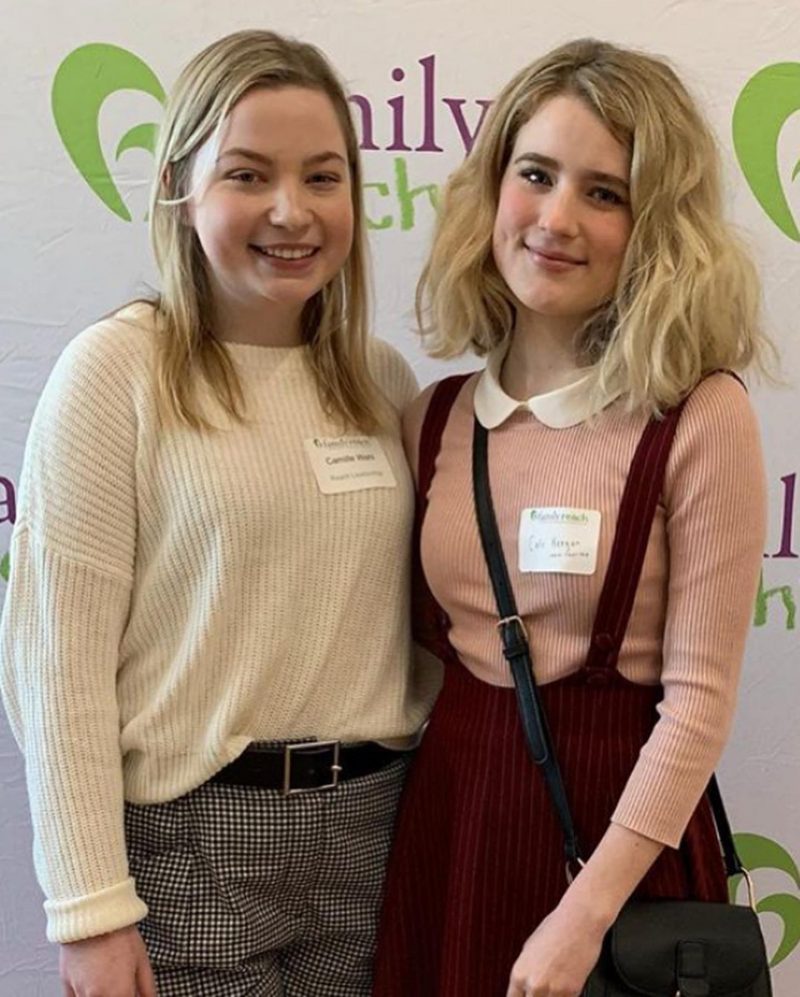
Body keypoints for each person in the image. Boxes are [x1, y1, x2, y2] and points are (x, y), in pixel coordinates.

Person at [0, 29, 439, 997]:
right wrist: (88, 910)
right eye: (248, 174)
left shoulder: (380, 383)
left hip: (374, 832)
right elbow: (56, 664)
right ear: (180, 186)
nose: (292, 211)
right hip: (192, 842)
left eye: (322, 178)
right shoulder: (117, 372)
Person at [373, 38, 770, 997]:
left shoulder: (698, 415)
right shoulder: (433, 418)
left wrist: (581, 916)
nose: (556, 219)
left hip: (614, 857)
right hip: (450, 825)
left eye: (605, 192)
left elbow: (698, 706)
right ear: (493, 185)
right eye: (536, 174)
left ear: (657, 226)